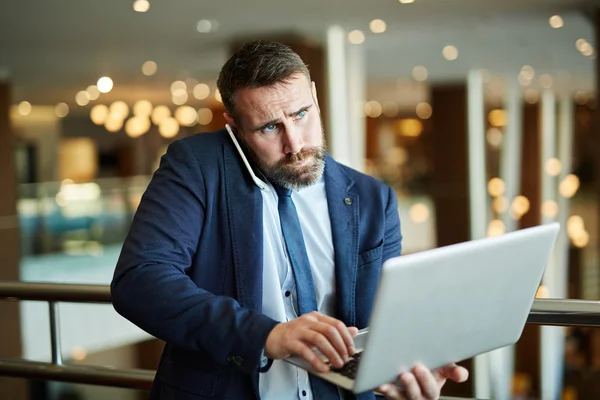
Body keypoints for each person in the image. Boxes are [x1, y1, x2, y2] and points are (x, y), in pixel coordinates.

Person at [111, 40, 468, 400]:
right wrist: (265, 335)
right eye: (269, 127)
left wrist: (406, 367)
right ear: (234, 125)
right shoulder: (196, 167)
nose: (295, 143)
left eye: (301, 114)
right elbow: (140, 280)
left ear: (314, 94)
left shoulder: (374, 199)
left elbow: (381, 323)